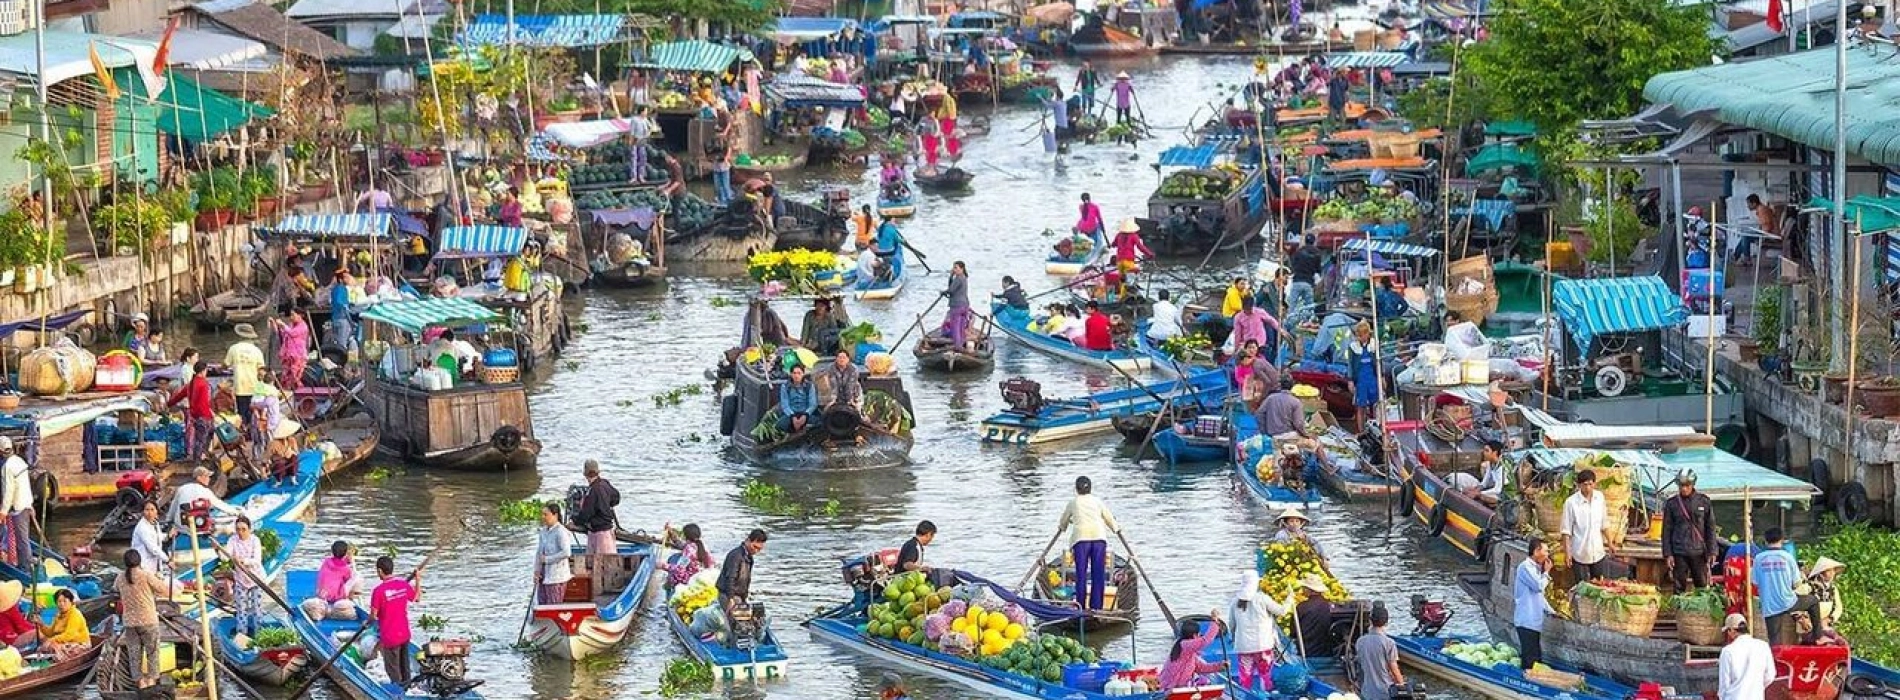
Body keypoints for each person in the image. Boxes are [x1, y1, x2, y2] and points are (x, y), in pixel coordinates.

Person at [1055, 476, 1120, 611]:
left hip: (1081, 540)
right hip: (1099, 539)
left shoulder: (1073, 502)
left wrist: (1062, 527)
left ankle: (1081, 606)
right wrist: (1116, 529)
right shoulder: (1097, 501)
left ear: (1076, 489)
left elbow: (1064, 520)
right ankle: (1096, 607)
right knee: (1098, 574)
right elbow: (1108, 517)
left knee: (1081, 574)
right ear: (1090, 488)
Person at [118, 549, 174, 690]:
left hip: (130, 622)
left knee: (134, 654)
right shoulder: (146, 575)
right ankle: (151, 682)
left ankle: (140, 683)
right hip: (148, 620)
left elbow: (115, 589)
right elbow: (164, 590)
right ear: (139, 561)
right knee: (152, 652)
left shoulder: (120, 578)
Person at [1230, 573, 1294, 691]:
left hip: (1244, 647)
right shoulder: (1262, 599)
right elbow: (1282, 611)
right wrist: (1290, 599)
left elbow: (1232, 625)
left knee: (1245, 676)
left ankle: (1246, 694)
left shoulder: (1235, 602)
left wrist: (1233, 638)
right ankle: (1266, 694)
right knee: (1265, 675)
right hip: (1263, 645)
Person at [1662, 469, 1718, 593]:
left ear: (1692, 485)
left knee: (1701, 586)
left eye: (1687, 486)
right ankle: (1679, 605)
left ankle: (1701, 606)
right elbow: (1666, 530)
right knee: (1678, 588)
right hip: (1679, 552)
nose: (1684, 489)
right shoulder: (1672, 504)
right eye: (1681, 486)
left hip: (1699, 552)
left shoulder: (1704, 501)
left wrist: (1712, 551)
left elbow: (1710, 528)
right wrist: (1668, 554)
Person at [368, 555, 420, 685]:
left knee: (392, 669)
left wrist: (367, 622)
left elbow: (373, 615)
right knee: (404, 665)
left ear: (380, 571)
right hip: (404, 633)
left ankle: (397, 690)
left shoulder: (378, 591)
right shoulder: (403, 585)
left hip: (390, 636)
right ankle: (407, 685)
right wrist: (418, 580)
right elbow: (417, 598)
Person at [1560, 469, 1616, 582]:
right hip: (1580, 553)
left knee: (1600, 584)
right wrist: (1567, 553)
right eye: (1585, 485)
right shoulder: (1571, 503)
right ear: (1579, 485)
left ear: (1594, 484)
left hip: (1598, 552)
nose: (1588, 488)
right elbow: (1566, 531)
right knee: (1581, 586)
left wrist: (1610, 543)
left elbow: (1604, 522)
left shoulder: (1599, 498)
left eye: (1590, 484)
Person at [1752, 527, 1801, 644]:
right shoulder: (1788, 557)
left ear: (1765, 541)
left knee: (1774, 640)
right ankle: (1818, 635)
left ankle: (1774, 655)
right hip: (1787, 602)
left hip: (1769, 605)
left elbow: (1754, 582)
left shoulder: (1758, 558)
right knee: (1813, 602)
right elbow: (1796, 583)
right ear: (1782, 540)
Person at [1514, 539, 1557, 670]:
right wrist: (1547, 573)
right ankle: (1524, 680)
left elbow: (1539, 597)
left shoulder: (1536, 569)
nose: (1547, 555)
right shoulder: (1525, 567)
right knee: (1530, 659)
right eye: (1546, 551)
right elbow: (1538, 587)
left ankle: (1531, 677)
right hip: (1526, 620)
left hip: (1534, 622)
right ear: (1537, 551)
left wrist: (1552, 611)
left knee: (1536, 657)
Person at [1158, 613, 1229, 690]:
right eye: (1199, 634)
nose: (1199, 636)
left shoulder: (1189, 653)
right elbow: (1205, 641)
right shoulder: (1185, 645)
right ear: (1195, 635)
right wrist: (1215, 623)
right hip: (1170, 687)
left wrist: (1220, 666)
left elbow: (1201, 668)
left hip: (1179, 686)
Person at [222, 515, 266, 637]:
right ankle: (242, 635)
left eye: (243, 529)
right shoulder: (233, 540)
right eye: (238, 529)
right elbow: (226, 557)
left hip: (255, 578)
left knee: (257, 609)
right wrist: (219, 551)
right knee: (241, 609)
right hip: (241, 579)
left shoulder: (255, 540)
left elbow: (257, 560)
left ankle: (260, 635)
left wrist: (243, 561)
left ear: (249, 529)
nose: (240, 532)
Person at [716, 529, 768, 630]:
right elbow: (730, 578)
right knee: (738, 624)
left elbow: (746, 580)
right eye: (755, 547)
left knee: (753, 620)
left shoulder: (748, 557)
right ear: (748, 540)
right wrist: (730, 599)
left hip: (739, 596)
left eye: (759, 549)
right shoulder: (736, 556)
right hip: (728, 595)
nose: (756, 551)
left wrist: (744, 598)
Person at [167, 361, 216, 462]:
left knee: (203, 437)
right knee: (201, 439)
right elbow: (204, 402)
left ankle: (201, 456)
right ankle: (198, 460)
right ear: (203, 371)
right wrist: (210, 413)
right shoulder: (203, 384)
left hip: (195, 415)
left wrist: (169, 404)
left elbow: (178, 396)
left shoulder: (191, 384)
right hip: (204, 415)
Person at [1718, 613, 1774, 700]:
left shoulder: (1727, 651)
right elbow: (1770, 675)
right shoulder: (1763, 646)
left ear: (1732, 630)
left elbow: (1724, 684)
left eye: (1728, 631)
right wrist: (1756, 687)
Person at [167, 465, 243, 529]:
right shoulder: (205, 491)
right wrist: (236, 512)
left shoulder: (182, 488)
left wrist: (168, 522)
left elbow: (173, 508)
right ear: (199, 478)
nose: (209, 479)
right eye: (206, 476)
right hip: (196, 528)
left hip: (180, 527)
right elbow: (219, 505)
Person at [1354, 606, 1405, 700]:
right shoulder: (1389, 643)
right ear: (1386, 622)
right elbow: (1394, 670)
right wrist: (1402, 686)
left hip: (1367, 692)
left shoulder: (1360, 641)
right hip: (1385, 692)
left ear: (1370, 621)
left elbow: (1360, 667)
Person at [302, 540, 361, 621]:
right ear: (345, 554)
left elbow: (335, 563)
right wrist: (352, 563)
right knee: (356, 576)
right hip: (336, 597)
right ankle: (352, 598)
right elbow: (348, 579)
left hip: (322, 594)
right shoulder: (345, 568)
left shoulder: (326, 561)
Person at [226, 323, 266, 441]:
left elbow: (226, 364)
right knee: (254, 410)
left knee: (241, 411)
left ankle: (243, 434)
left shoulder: (233, 348)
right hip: (254, 386)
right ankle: (253, 433)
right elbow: (261, 370)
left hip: (240, 385)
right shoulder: (256, 350)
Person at [1792, 558, 1846, 644]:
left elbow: (1838, 608)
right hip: (1806, 627)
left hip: (1824, 625)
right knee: (1823, 642)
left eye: (1833, 571)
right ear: (1821, 573)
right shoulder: (1809, 586)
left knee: (1837, 639)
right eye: (1829, 571)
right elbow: (1792, 601)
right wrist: (1802, 619)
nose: (1832, 573)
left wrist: (1829, 619)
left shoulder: (1833, 589)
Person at [579, 460, 621, 556]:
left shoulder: (592, 491)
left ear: (585, 474)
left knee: (596, 560)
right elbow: (616, 497)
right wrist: (607, 504)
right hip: (607, 530)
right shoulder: (605, 483)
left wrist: (575, 520)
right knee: (609, 559)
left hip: (597, 532)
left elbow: (587, 513)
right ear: (598, 472)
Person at [1447, 439, 1506, 505]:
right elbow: (1484, 483)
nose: (1484, 453)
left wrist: (1478, 493)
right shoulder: (1491, 463)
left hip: (1502, 495)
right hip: (1489, 489)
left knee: (1485, 497)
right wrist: (1476, 489)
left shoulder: (1502, 467)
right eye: (1484, 450)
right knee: (1457, 479)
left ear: (1494, 453)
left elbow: (1498, 490)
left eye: (1487, 451)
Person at [1347, 321, 1382, 429]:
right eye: (1358, 335)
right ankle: (1361, 430)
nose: (1360, 338)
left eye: (1362, 335)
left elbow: (1379, 363)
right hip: (1361, 381)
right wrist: (1350, 380)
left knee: (1376, 405)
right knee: (1360, 407)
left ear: (1367, 334)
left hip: (1373, 379)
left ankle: (1377, 428)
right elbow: (1350, 364)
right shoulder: (1353, 347)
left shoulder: (1374, 345)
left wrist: (1382, 377)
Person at [536, 502, 573, 605]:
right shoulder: (543, 531)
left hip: (556, 576)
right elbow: (539, 552)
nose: (543, 517)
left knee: (553, 604)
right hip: (544, 574)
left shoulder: (561, 531)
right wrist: (537, 570)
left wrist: (548, 559)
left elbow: (566, 552)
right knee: (542, 602)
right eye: (542, 514)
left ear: (555, 515)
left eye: (546, 515)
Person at [38, 589, 90, 660]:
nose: (62, 604)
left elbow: (69, 635)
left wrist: (50, 640)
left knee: (53, 647)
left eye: (65, 601)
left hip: (80, 644)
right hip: (66, 643)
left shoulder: (75, 614)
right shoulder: (59, 615)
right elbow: (50, 633)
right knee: (43, 648)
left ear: (71, 602)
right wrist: (41, 623)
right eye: (59, 601)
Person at [270, 306, 311, 391]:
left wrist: (282, 324)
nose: (291, 317)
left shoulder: (303, 326)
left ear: (300, 315)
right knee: (285, 378)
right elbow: (283, 334)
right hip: (288, 356)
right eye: (291, 315)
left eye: (293, 315)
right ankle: (287, 392)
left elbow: (292, 333)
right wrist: (276, 325)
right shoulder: (291, 325)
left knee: (295, 377)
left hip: (298, 356)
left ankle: (300, 393)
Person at [1294, 575, 1336, 656]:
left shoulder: (1301, 607)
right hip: (1325, 651)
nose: (1302, 590)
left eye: (1304, 588)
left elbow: (1294, 632)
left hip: (1305, 651)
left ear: (1308, 590)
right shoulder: (1329, 606)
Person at [663, 523, 717, 587]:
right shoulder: (702, 545)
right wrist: (671, 533)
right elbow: (681, 545)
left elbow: (679, 570)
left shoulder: (689, 550)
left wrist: (663, 566)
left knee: (674, 559)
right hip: (705, 578)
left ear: (685, 537)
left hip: (692, 580)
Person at [0, 438, 27, 567]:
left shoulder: (7, 466)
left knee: (18, 537)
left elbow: (8, 491)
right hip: (22, 503)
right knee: (18, 536)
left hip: (15, 505)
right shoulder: (19, 461)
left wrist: (3, 511)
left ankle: (23, 566)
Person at [776, 364, 821, 433]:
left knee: (819, 424)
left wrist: (805, 416)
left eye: (799, 373)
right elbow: (785, 405)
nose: (796, 376)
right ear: (791, 374)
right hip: (791, 414)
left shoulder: (809, 386)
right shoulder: (785, 386)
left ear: (803, 374)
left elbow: (813, 404)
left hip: (806, 413)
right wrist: (793, 417)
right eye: (794, 373)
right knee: (780, 425)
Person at [940, 261, 973, 349]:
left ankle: (958, 346)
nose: (954, 270)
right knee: (961, 327)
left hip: (957, 306)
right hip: (965, 305)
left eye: (956, 268)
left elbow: (951, 290)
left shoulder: (958, 278)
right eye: (953, 268)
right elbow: (952, 288)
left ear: (961, 269)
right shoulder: (964, 278)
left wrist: (943, 292)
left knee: (955, 328)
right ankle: (961, 344)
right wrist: (951, 277)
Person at [130, 500, 167, 577]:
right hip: (143, 564)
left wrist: (168, 536)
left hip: (154, 564)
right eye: (147, 510)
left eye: (152, 510)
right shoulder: (142, 527)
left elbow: (157, 536)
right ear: (143, 512)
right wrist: (167, 560)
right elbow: (153, 548)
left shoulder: (154, 523)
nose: (150, 513)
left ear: (156, 511)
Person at [1742, 194, 1777, 264]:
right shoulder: (1761, 209)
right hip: (1766, 233)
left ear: (1754, 203)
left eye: (1749, 204)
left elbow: (1768, 226)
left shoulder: (1762, 210)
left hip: (1769, 235)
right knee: (1745, 235)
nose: (1747, 206)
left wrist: (1762, 236)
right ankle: (1739, 256)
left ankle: (1746, 258)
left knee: (1746, 236)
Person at [0, 581, 35, 649]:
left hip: (4, 641)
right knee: (40, 633)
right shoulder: (10, 609)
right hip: (11, 642)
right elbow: (22, 627)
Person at [329, 269, 356, 349]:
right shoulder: (342, 289)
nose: (348, 279)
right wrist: (350, 320)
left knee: (338, 342)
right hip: (342, 319)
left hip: (335, 318)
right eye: (346, 277)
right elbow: (342, 305)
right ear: (340, 280)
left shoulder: (335, 289)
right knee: (342, 344)